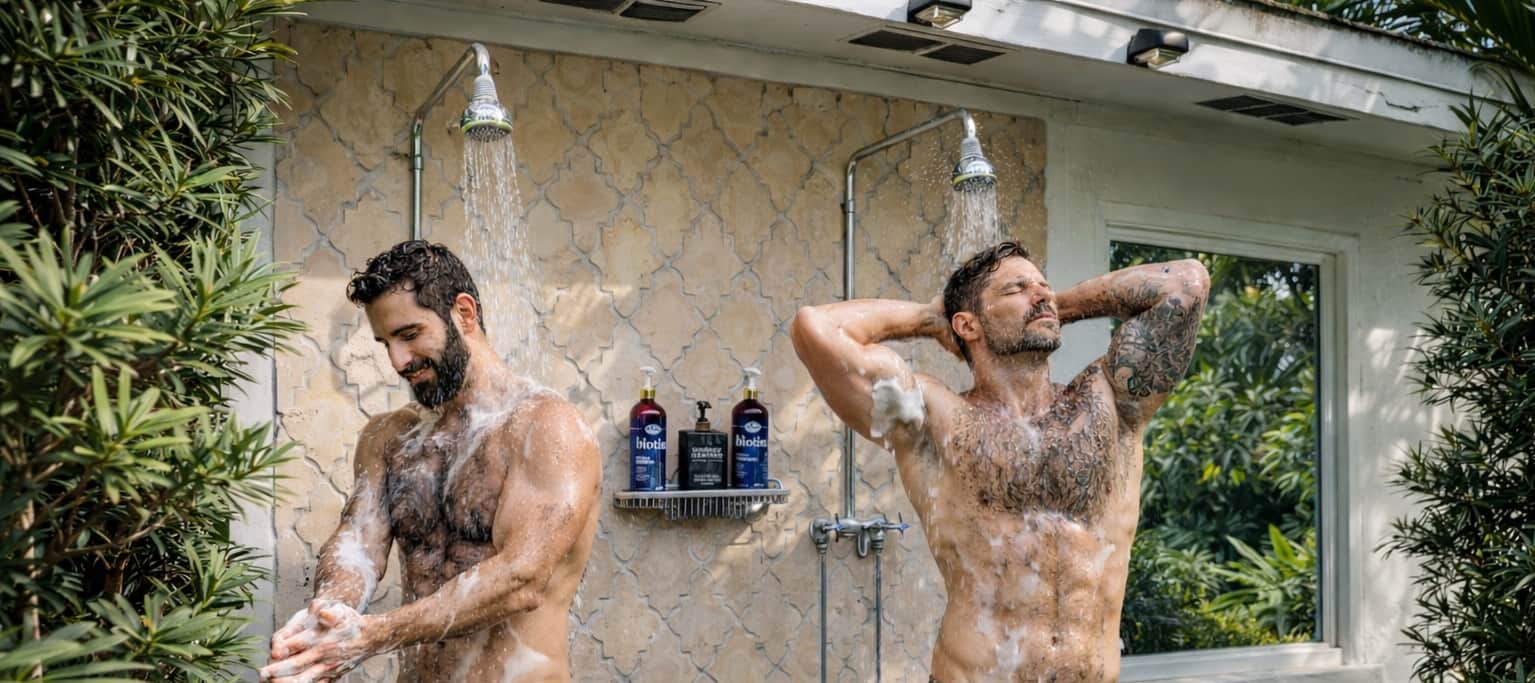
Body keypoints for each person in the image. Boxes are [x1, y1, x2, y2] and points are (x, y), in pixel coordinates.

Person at [790, 241, 1209, 682]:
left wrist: (1052, 307)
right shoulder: (935, 418)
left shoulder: (1110, 401)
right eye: (1017, 288)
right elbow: (815, 328)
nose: (1041, 294)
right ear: (967, 324)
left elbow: (1186, 283)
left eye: (1044, 286)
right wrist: (930, 319)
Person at [260, 241, 600, 683]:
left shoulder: (548, 428)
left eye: (409, 335)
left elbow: (521, 578)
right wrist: (329, 616)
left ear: (464, 313)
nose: (398, 361)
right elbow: (357, 544)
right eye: (385, 343)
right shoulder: (390, 438)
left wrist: (372, 636)